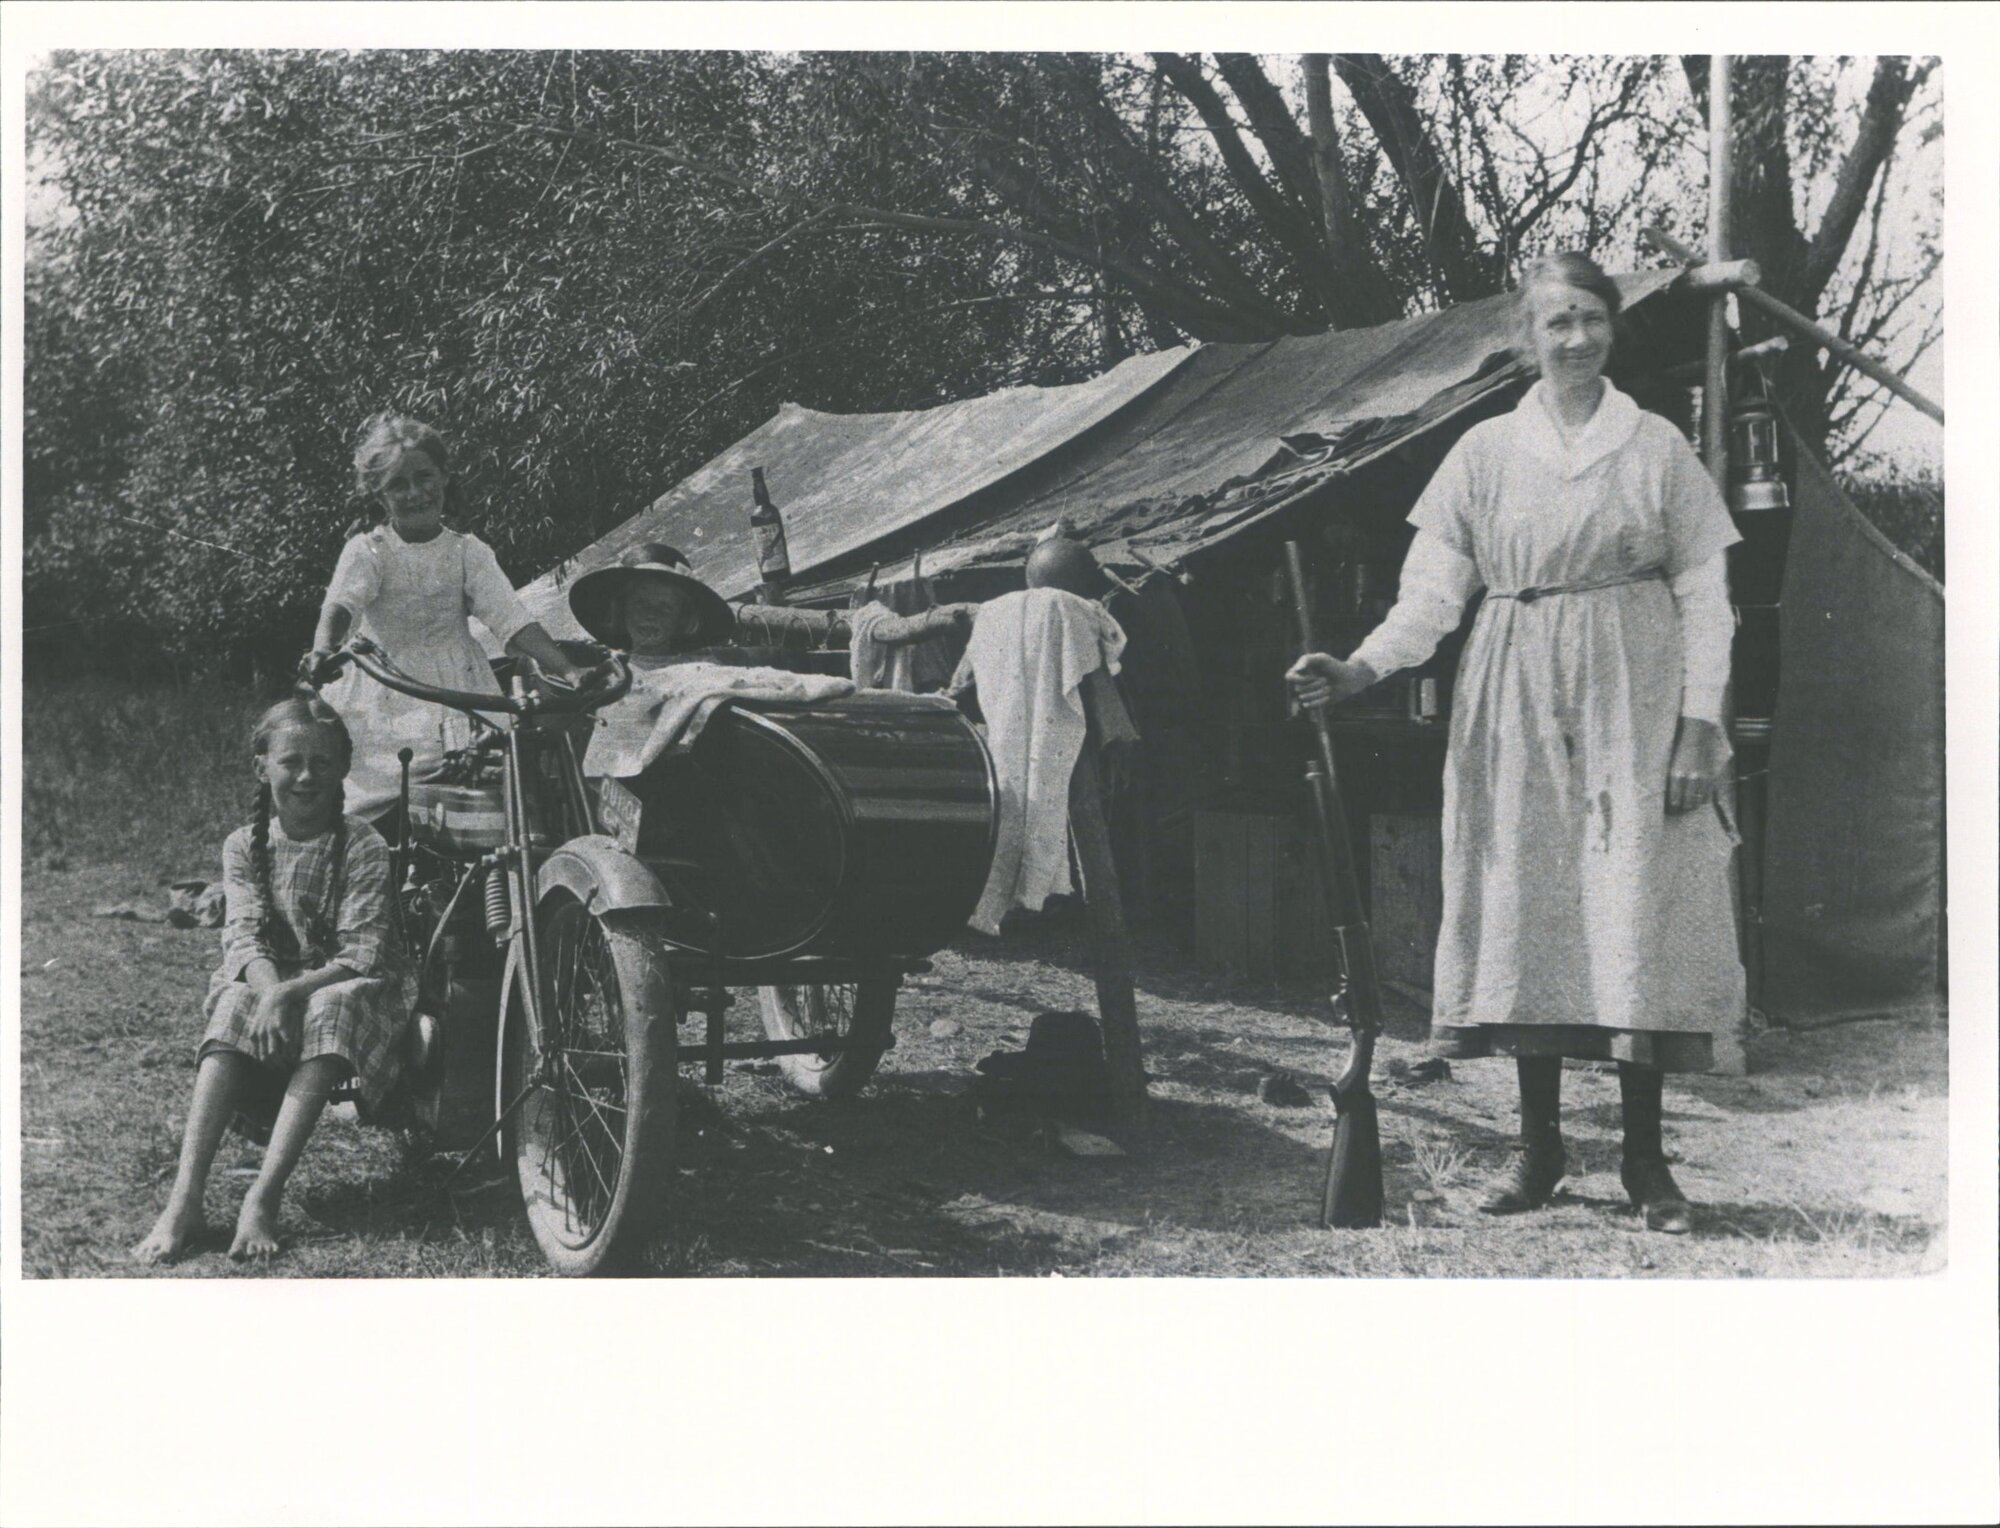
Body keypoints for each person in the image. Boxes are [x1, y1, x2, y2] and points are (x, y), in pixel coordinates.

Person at [1287, 252, 1743, 1234]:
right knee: (1529, 902)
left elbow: (1706, 597)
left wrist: (1699, 723)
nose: (1573, 338)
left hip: (1636, 688)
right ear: (1525, 338)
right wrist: (1360, 670)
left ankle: (1643, 1161)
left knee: (1634, 908)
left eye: (1588, 319)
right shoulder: (1482, 455)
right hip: (1513, 692)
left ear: (1611, 327)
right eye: (1554, 323)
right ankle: (1536, 1151)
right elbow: (1428, 599)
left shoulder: (1657, 447)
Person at [133, 699, 413, 1263]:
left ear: (343, 769)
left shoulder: (362, 843)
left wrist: (287, 994)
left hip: (350, 979)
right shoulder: (244, 844)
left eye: (322, 762)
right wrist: (269, 992)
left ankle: (264, 1194)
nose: (306, 776)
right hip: (272, 979)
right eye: (291, 761)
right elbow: (243, 936)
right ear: (263, 766)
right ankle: (186, 1197)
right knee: (234, 998)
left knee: (334, 1005)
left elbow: (360, 951)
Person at [302, 413, 585, 820]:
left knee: (488, 781)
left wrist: (568, 670)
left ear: (444, 477)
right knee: (382, 795)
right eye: (398, 485)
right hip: (388, 688)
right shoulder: (370, 551)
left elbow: (511, 618)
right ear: (378, 495)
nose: (415, 493)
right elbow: (342, 604)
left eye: (425, 477)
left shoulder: (467, 551)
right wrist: (323, 649)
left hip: (459, 685)